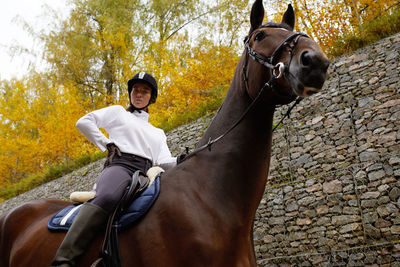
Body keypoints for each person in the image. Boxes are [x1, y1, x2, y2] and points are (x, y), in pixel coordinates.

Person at [51, 72, 176, 267]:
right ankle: (63, 260)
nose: (139, 94)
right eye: (135, 90)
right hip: (120, 165)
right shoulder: (118, 112)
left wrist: (184, 159)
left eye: (145, 91)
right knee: (108, 196)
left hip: (146, 173)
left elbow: (164, 161)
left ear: (152, 97)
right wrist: (106, 143)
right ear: (130, 93)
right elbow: (84, 122)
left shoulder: (158, 133)